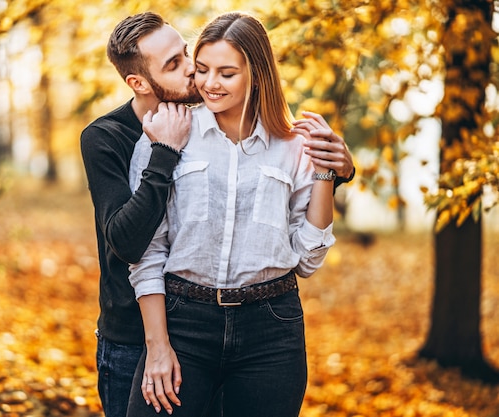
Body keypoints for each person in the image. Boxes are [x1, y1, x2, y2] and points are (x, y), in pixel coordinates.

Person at [80, 12, 354, 417]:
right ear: (138, 82)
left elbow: (304, 248)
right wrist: (164, 153)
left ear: (255, 74)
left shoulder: (290, 143)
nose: (200, 77)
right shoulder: (130, 137)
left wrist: (333, 170)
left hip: (269, 325)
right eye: (183, 65)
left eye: (189, 56)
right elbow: (132, 245)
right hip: (155, 324)